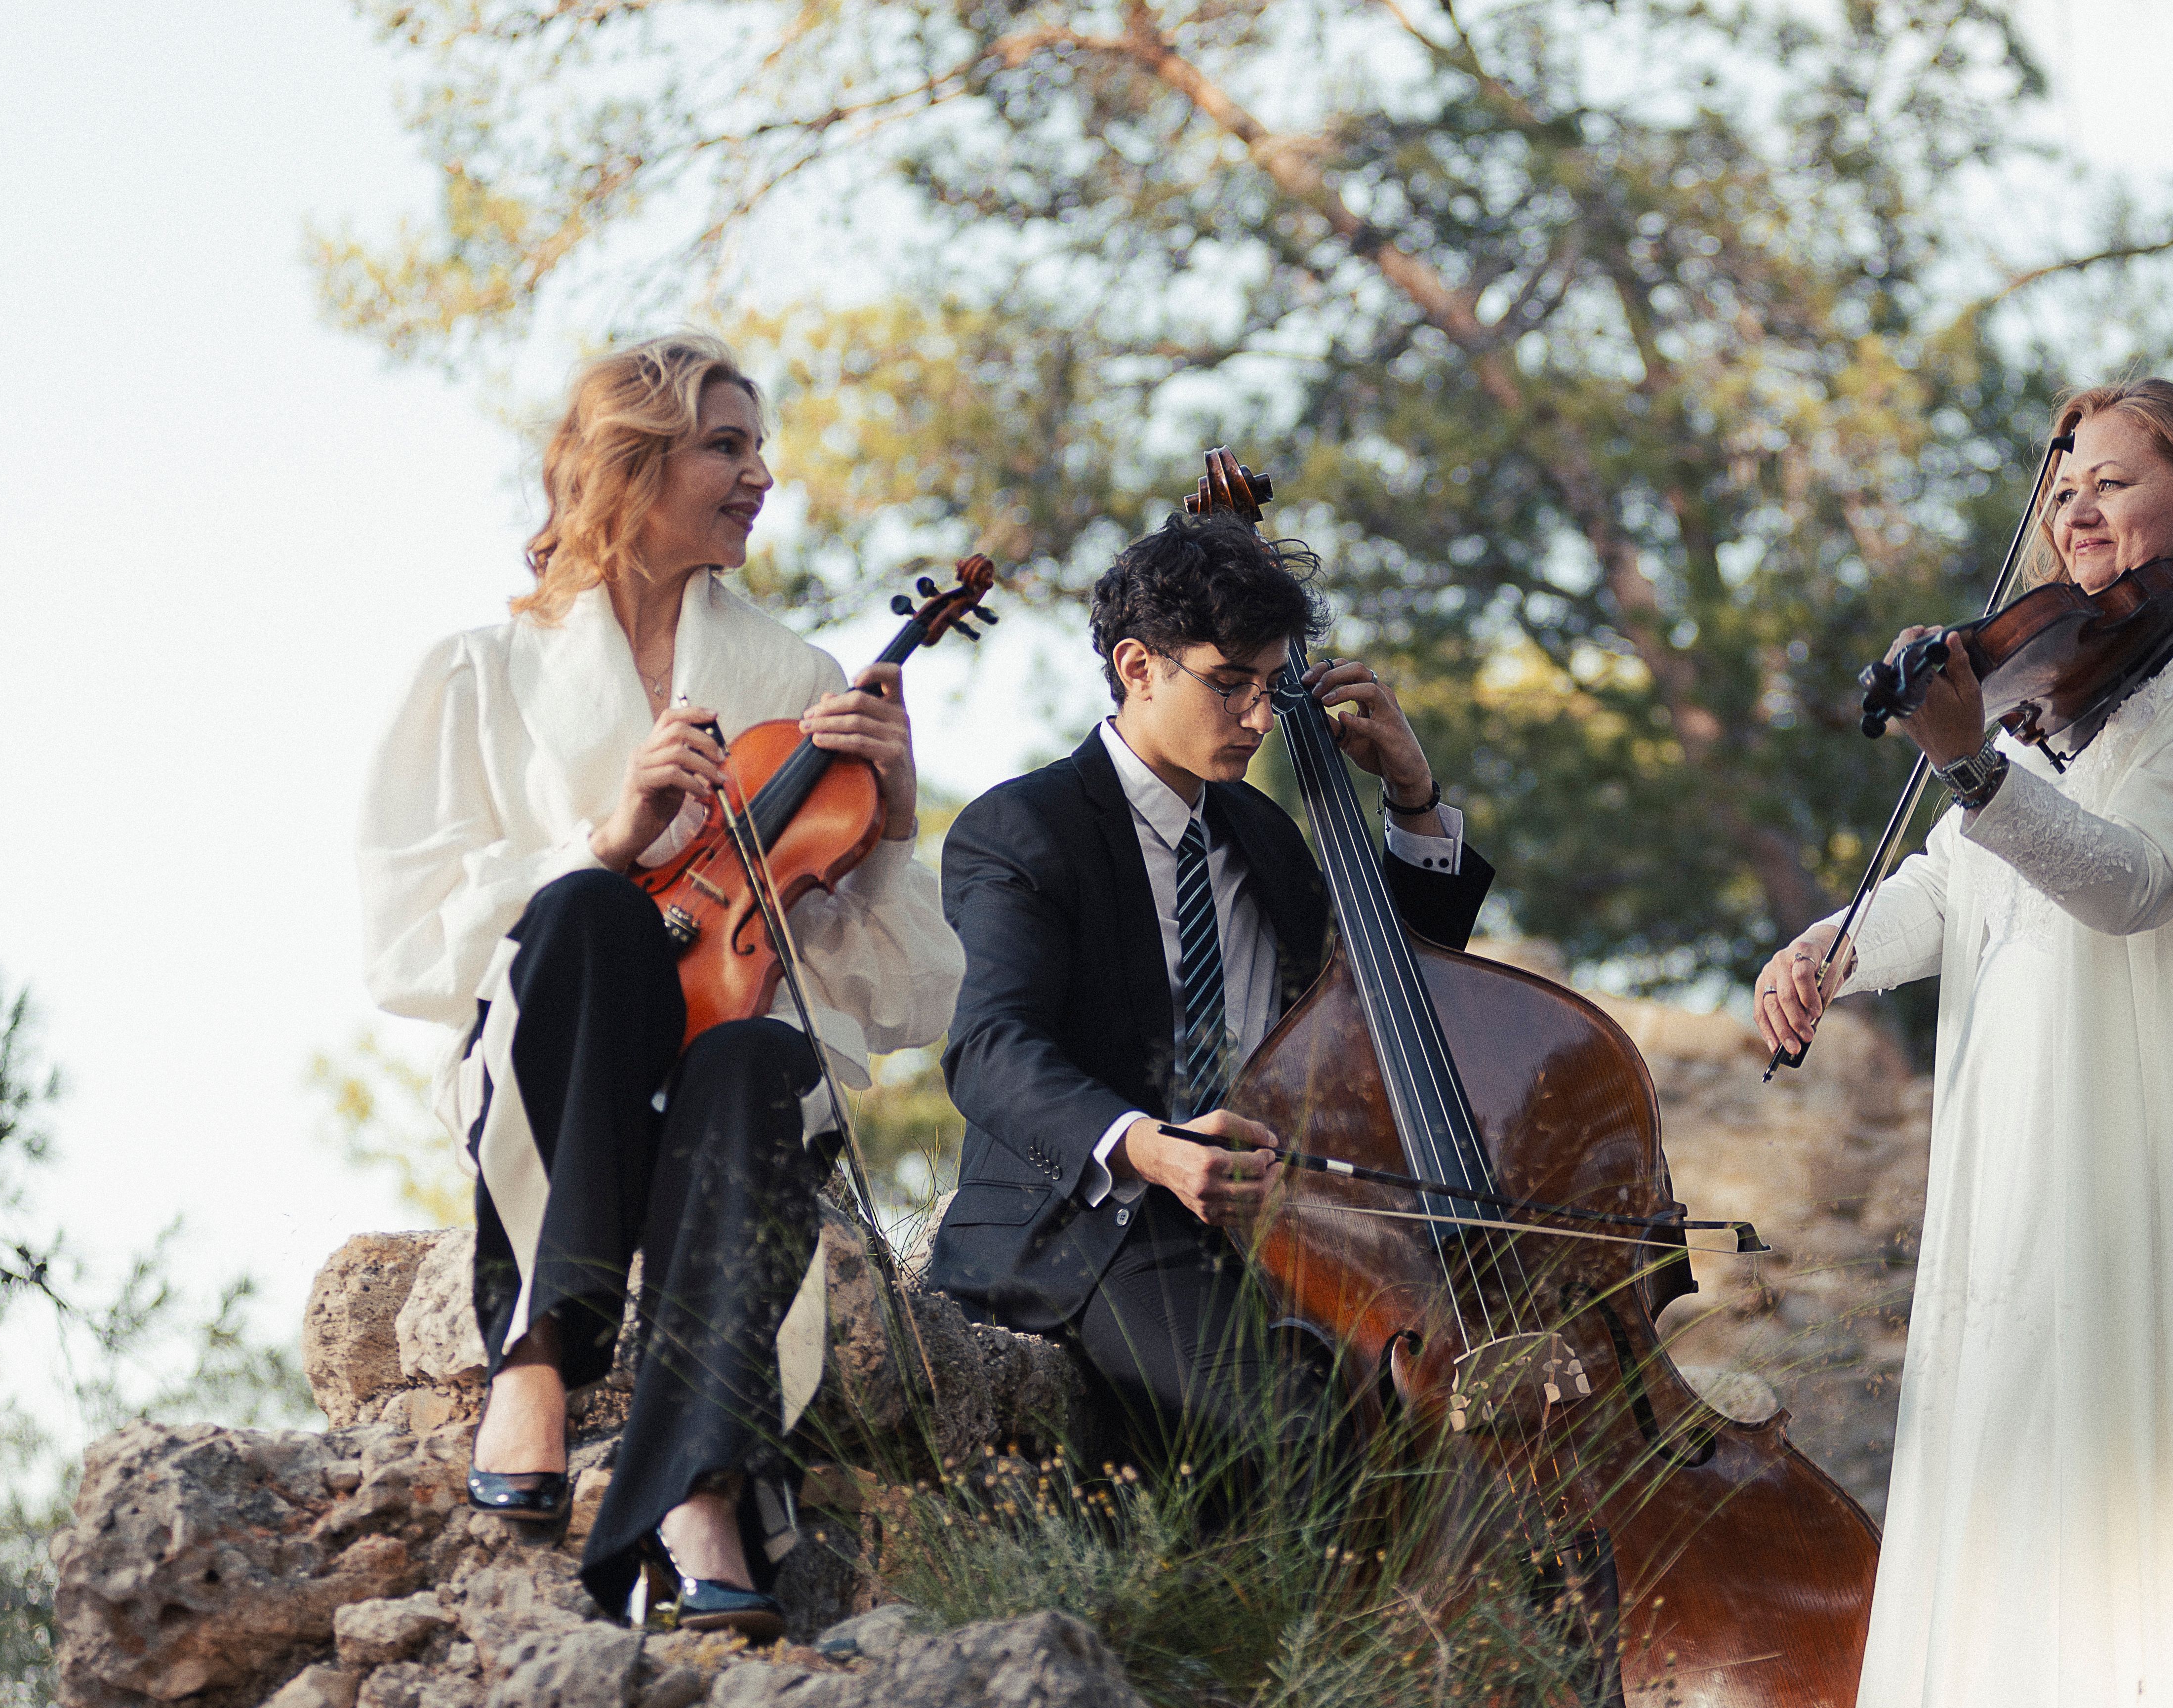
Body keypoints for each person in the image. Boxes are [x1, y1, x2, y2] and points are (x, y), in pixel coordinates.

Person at [1754, 379, 2173, 1708]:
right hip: (2018, 1155)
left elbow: (2135, 881)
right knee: (2010, 1455)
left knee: (2136, 1453)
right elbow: (1960, 891)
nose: (2075, 510)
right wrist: (1831, 946)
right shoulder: (2051, 691)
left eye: (2116, 482)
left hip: (2150, 1160)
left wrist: (1971, 765)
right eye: (2063, 484)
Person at [359, 333, 965, 1638]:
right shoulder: (476, 671)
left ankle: (694, 1481)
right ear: (632, 465)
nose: (762, 475)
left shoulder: (797, 685)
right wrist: (610, 842)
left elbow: (913, 994)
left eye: (760, 447)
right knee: (589, 912)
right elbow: (405, 942)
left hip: (718, 1083)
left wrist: (894, 826)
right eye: (726, 446)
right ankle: (536, 1348)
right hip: (556, 1078)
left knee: (758, 1062)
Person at [926, 510, 1492, 1475]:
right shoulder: (1024, 828)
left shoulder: (1260, 834)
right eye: (1228, 683)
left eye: (1273, 686)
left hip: (1259, 1228)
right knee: (1308, 1444)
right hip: (1086, 1223)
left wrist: (1410, 794)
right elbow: (989, 1048)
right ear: (1136, 666)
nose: (1261, 717)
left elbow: (1387, 1002)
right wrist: (1150, 1146)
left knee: (1427, 1441)